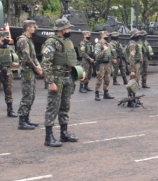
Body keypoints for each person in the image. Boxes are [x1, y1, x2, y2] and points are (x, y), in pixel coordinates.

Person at [41, 18, 84, 147]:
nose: (69, 30)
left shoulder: (68, 42)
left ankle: (63, 133)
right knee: (52, 107)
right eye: (67, 28)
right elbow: (46, 63)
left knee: (65, 106)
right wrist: (50, 81)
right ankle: (48, 137)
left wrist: (80, 72)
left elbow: (72, 60)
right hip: (57, 79)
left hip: (68, 78)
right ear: (60, 29)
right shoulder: (51, 42)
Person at [17, 20, 43, 128]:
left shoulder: (29, 40)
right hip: (27, 71)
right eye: (33, 27)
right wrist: (35, 68)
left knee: (31, 95)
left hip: (31, 70)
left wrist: (38, 65)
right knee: (27, 95)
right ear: (28, 28)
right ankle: (22, 121)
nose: (35, 29)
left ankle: (26, 118)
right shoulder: (23, 40)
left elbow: (33, 56)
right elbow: (27, 58)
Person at [94, 31, 115, 101]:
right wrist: (104, 50)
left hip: (107, 64)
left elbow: (111, 53)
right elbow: (97, 56)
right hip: (101, 64)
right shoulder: (98, 45)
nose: (108, 36)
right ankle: (97, 93)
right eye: (106, 35)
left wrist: (113, 58)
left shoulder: (108, 44)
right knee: (99, 79)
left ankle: (106, 93)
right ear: (102, 36)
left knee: (107, 79)